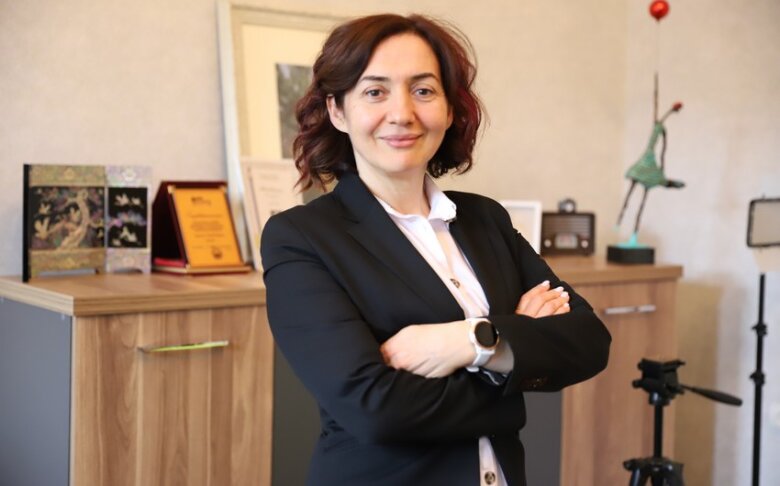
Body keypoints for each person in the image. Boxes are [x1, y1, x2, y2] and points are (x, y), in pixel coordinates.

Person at [261, 13, 611, 486]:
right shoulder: (301, 237)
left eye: (423, 90)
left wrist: (467, 342)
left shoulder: (485, 219)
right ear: (338, 111)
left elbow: (588, 341)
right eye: (375, 92)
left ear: (449, 110)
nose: (402, 113)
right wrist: (511, 364)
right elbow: (375, 409)